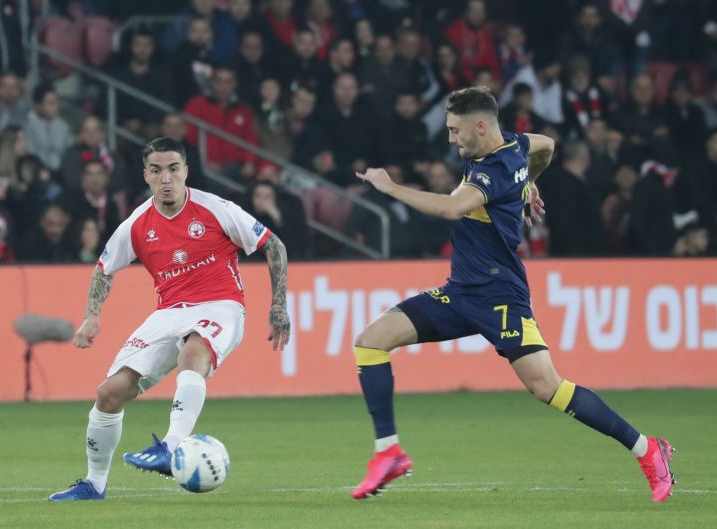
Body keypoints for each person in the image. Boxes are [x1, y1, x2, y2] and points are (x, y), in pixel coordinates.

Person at [349, 87, 674, 502]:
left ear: (481, 126)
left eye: (455, 130)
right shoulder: (515, 147)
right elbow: (546, 145)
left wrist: (390, 187)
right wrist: (529, 184)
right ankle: (388, 453)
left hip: (499, 296)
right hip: (461, 292)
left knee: (547, 387)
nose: (450, 138)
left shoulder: (496, 168)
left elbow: (451, 208)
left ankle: (648, 449)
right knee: (370, 342)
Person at [49, 137, 290, 501]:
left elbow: (273, 244)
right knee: (109, 393)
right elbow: (103, 269)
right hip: (169, 312)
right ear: (146, 175)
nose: (166, 178)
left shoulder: (215, 208)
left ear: (185, 171)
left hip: (220, 304)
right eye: (157, 170)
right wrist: (91, 316)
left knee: (193, 353)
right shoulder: (136, 224)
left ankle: (171, 446)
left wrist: (278, 307)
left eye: (173, 169)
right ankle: (94, 484)